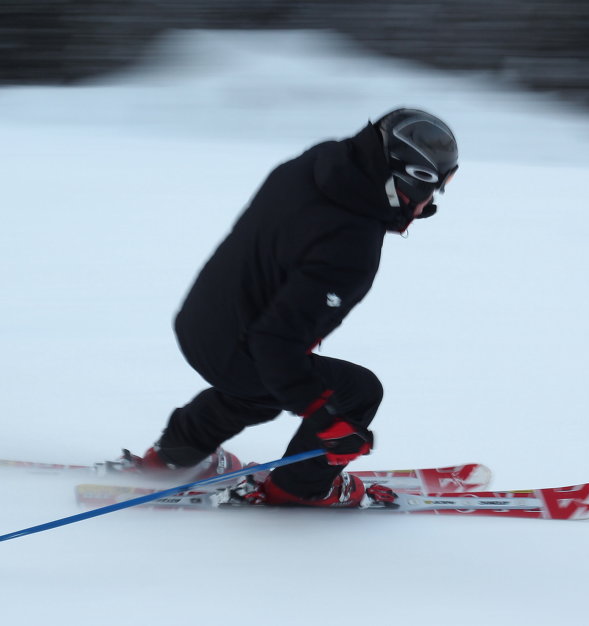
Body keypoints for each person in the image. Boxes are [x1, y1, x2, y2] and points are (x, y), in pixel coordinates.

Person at [118, 108, 458, 508]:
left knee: (256, 391)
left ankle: (173, 458)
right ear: (406, 181)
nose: (429, 205)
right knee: (356, 392)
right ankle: (300, 488)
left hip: (202, 321)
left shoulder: (322, 163)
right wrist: (326, 419)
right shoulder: (351, 243)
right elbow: (275, 344)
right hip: (242, 342)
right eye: (431, 191)